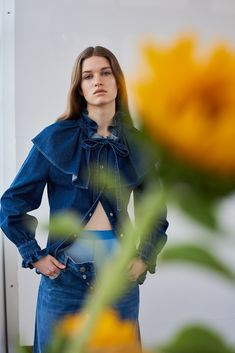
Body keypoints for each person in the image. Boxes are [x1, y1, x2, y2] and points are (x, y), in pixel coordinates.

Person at [0, 46, 168, 353]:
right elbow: (11, 202)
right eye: (87, 75)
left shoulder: (138, 145)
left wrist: (144, 256)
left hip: (120, 277)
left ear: (117, 81)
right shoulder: (55, 139)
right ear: (79, 87)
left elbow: (155, 212)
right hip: (65, 277)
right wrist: (34, 253)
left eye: (105, 72)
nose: (97, 81)